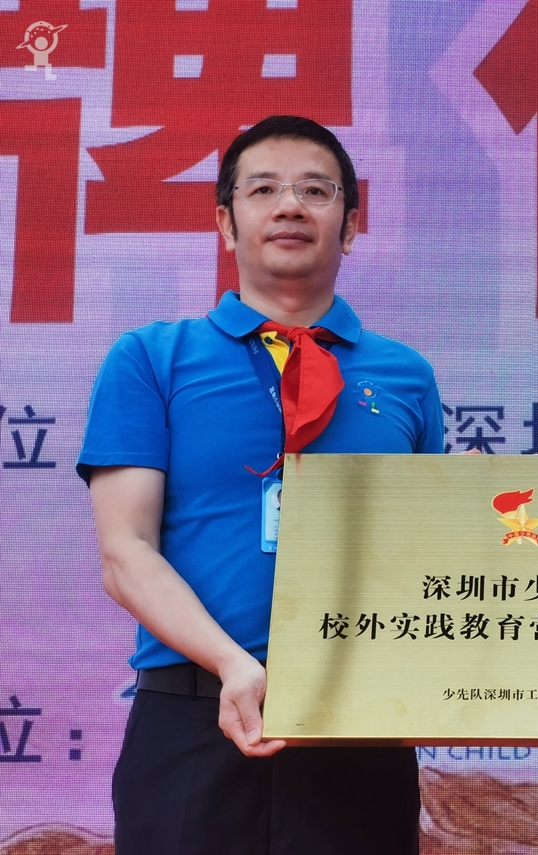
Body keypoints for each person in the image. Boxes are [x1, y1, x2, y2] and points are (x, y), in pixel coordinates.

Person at [78, 115, 443, 854]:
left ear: (350, 227)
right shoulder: (152, 358)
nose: (290, 206)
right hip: (191, 719)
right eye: (264, 189)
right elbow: (126, 551)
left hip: (357, 725)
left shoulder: (406, 375)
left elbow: (422, 562)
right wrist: (231, 663)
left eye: (317, 190)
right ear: (226, 222)